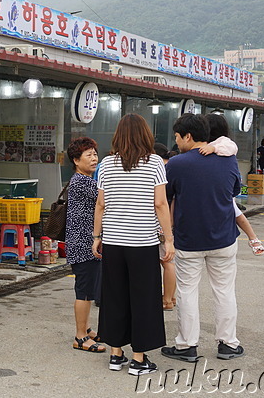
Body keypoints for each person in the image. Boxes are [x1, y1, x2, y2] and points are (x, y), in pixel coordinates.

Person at [92, 114, 175, 376]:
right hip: (142, 242)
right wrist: (169, 238)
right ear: (145, 136)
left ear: (118, 135)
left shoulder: (106, 164)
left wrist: (97, 236)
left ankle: (116, 355)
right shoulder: (154, 164)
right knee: (144, 298)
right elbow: (160, 204)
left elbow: (101, 204)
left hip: (114, 241)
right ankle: (139, 360)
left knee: (114, 296)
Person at [162, 113, 244, 364]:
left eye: (177, 137)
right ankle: (228, 344)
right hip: (224, 238)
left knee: (187, 292)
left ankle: (187, 346)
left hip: (189, 240)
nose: (176, 143)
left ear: (188, 136)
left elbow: (165, 199)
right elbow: (235, 191)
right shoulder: (228, 160)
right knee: (224, 291)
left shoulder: (176, 164)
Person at [198, 113, 264, 256]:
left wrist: (214, 149)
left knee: (237, 213)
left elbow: (232, 147)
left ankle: (253, 238)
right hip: (222, 187)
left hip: (224, 190)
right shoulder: (205, 144)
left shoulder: (223, 142)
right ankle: (253, 238)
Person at [65, 137, 104, 353]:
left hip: (86, 242)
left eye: (95, 154)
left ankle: (87, 328)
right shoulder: (83, 182)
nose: (94, 158)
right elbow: (105, 198)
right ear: (76, 160)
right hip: (83, 244)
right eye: (88, 155)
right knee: (84, 292)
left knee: (88, 290)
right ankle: (80, 337)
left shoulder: (85, 180)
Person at [153, 143, 177, 311]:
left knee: (166, 262)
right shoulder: (172, 167)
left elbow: (161, 201)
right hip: (169, 221)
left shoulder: (160, 169)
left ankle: (167, 300)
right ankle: (171, 297)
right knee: (169, 261)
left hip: (161, 221)